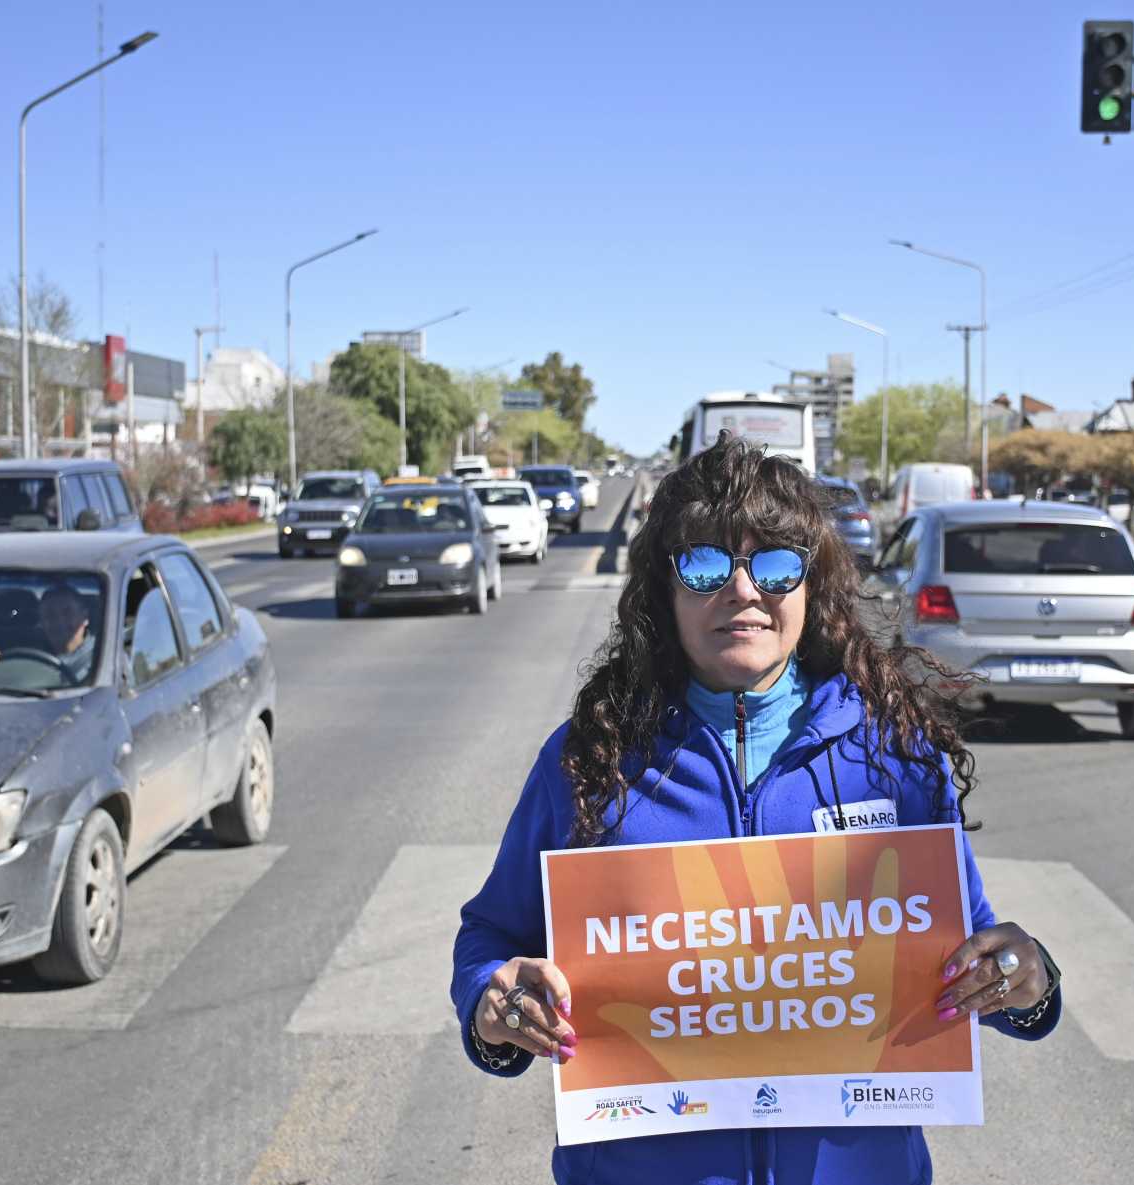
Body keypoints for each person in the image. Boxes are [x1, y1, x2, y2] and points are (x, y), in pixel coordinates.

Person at [451, 435, 1062, 1185]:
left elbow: (968, 959)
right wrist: (493, 1001)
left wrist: (1025, 981)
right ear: (664, 591)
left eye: (773, 564)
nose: (742, 591)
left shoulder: (894, 756)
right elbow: (491, 934)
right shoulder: (592, 759)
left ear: (812, 584)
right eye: (706, 564)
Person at [0, 583, 96, 683]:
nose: (59, 622)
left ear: (85, 617)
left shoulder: (101, 656)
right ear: (41, 621)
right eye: (50, 615)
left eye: (67, 613)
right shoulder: (26, 651)